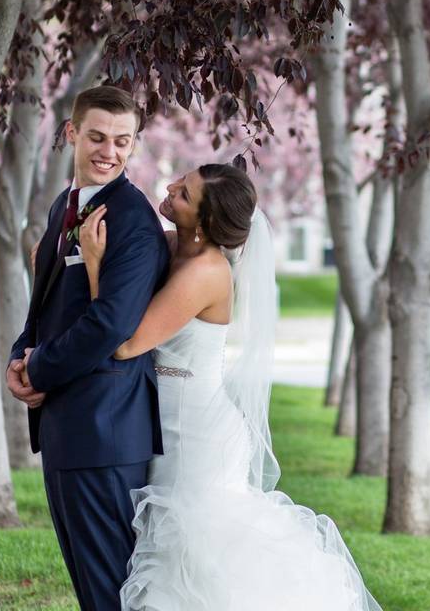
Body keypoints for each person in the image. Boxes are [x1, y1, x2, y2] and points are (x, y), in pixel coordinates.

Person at [78, 163, 381, 610]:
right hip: (173, 418)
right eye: (181, 179)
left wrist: (92, 265)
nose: (169, 187)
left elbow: (123, 344)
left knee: (193, 558)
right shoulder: (170, 246)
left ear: (202, 223)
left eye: (183, 194)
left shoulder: (205, 271)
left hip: (194, 435)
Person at [6, 85, 171, 610]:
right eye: (97, 137)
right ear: (72, 132)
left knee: (110, 593)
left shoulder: (134, 222)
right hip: (67, 429)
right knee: (89, 588)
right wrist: (20, 355)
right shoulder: (65, 206)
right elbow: (46, 301)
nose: (110, 151)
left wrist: (40, 371)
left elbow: (111, 325)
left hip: (106, 433)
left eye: (123, 141)